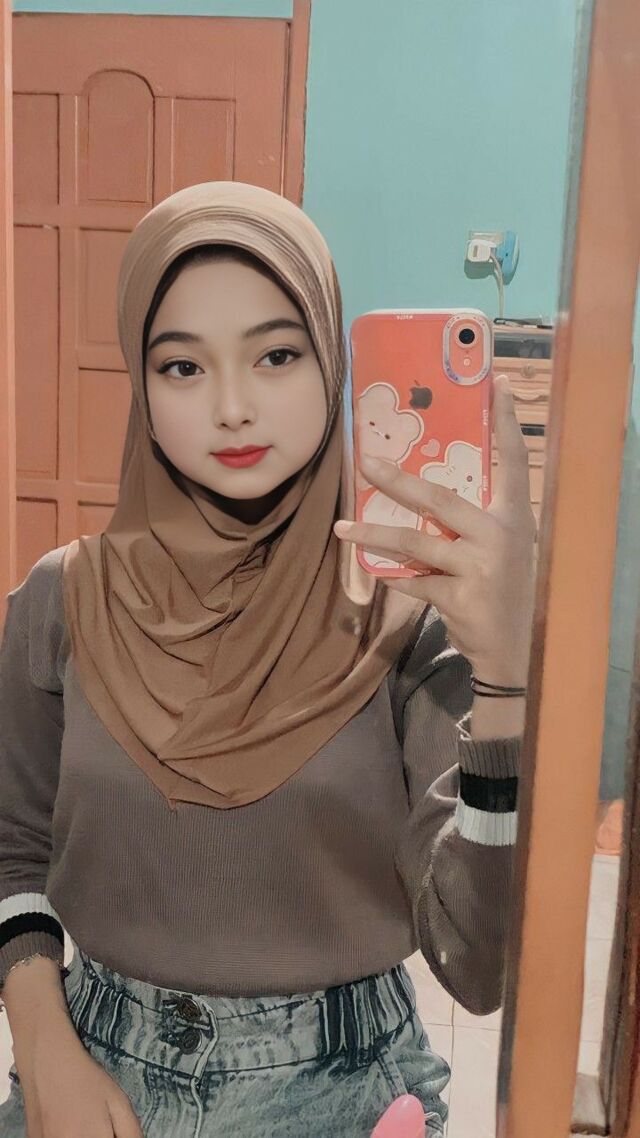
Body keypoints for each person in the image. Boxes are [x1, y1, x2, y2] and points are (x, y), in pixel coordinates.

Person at [0, 181, 536, 1138]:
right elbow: (14, 847)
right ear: (142, 389)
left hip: (346, 1091)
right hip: (89, 1078)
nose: (233, 408)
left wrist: (502, 681)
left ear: (331, 359)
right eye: (182, 367)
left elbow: (480, 963)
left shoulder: (409, 612)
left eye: (277, 355)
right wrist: (41, 1046)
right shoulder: (63, 599)